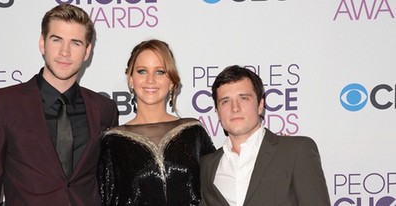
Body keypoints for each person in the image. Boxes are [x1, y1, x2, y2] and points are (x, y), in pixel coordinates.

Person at [0, 4, 119, 205]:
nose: (65, 52)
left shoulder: (104, 109)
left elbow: (109, 184)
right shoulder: (3, 104)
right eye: (57, 40)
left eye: (75, 43)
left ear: (87, 51)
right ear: (42, 43)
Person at [97, 39, 216, 206]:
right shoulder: (113, 142)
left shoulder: (193, 133)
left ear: (172, 82)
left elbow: (214, 194)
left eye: (160, 72)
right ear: (131, 80)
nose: (150, 80)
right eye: (142, 71)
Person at [199, 65, 331, 206]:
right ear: (218, 112)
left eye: (243, 98)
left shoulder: (296, 151)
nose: (235, 108)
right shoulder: (206, 167)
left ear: (260, 105)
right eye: (225, 101)